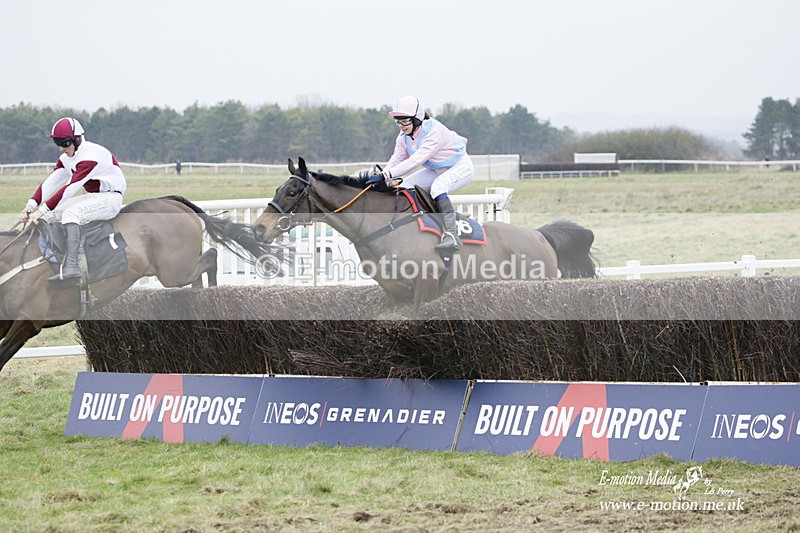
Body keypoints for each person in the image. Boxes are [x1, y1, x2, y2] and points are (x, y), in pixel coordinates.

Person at [18, 117, 127, 283]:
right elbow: (51, 182)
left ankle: (72, 265)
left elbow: (69, 189)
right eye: (58, 144)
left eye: (65, 143)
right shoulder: (67, 157)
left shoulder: (91, 156)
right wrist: (30, 205)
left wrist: (41, 210)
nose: (62, 148)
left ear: (77, 140)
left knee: (71, 214)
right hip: (93, 196)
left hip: (111, 198)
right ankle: (55, 260)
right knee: (50, 216)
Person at [366, 95, 474, 250]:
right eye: (398, 121)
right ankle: (428, 223)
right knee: (405, 186)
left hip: (460, 166)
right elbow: (396, 159)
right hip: (435, 169)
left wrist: (386, 176)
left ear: (417, 119)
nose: (401, 125)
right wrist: (384, 175)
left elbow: (415, 161)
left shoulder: (434, 131)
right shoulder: (403, 137)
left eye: (405, 121)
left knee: (438, 188)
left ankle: (452, 235)